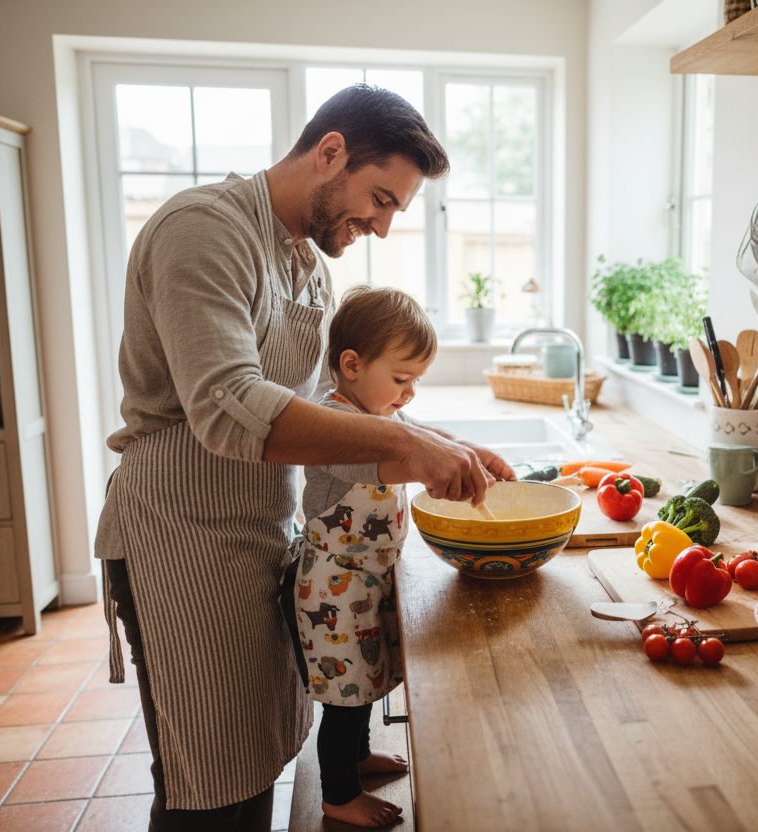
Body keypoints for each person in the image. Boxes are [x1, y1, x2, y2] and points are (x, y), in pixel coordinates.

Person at [94, 84, 514, 831]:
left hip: (262, 531)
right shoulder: (203, 231)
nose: (381, 225)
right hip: (179, 538)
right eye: (380, 198)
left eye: (394, 211)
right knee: (210, 785)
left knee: (258, 759)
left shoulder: (309, 268)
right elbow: (227, 406)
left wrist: (440, 443)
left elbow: (327, 411)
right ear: (330, 153)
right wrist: (407, 444)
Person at [287, 283, 439, 827]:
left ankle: (359, 756)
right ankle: (338, 793)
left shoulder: (379, 414)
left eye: (415, 381)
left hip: (365, 579)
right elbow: (385, 464)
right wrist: (438, 467)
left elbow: (419, 438)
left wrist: (467, 452)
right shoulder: (334, 422)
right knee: (344, 698)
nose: (410, 395)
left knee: (365, 678)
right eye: (401, 379)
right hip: (333, 583)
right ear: (351, 365)